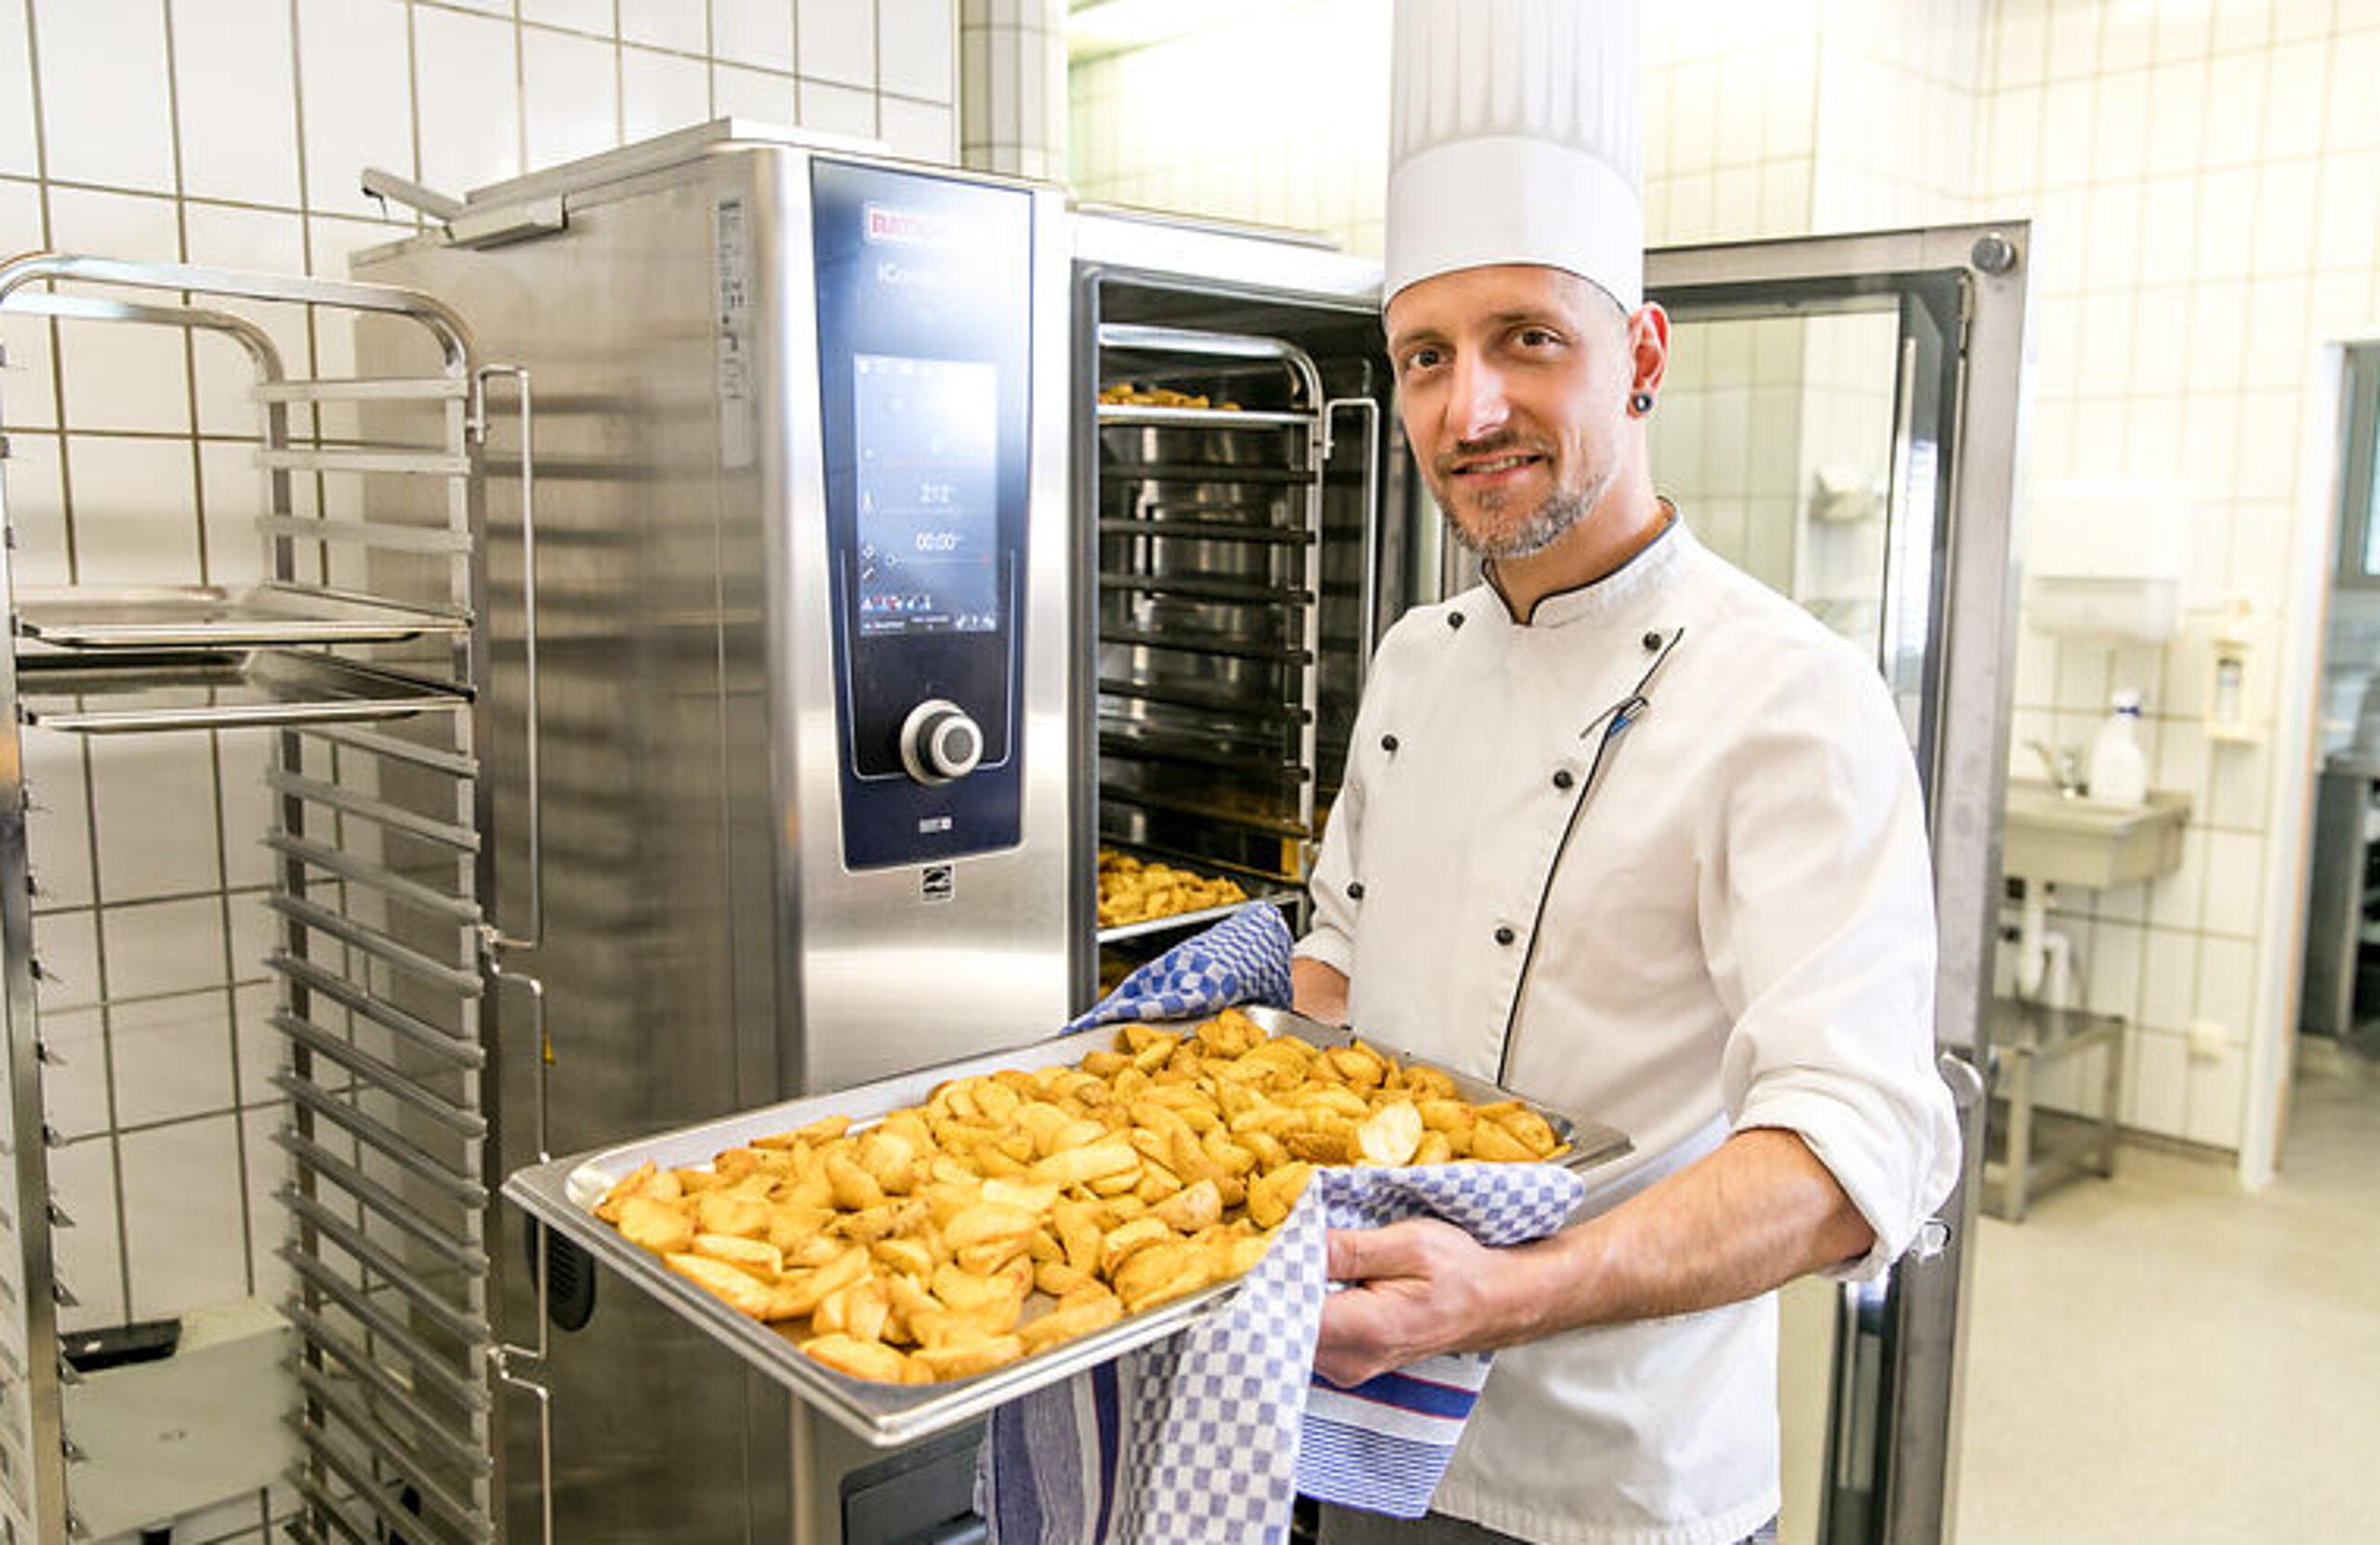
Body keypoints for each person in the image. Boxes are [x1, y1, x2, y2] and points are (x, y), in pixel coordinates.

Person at [1293, 4, 1960, 1543]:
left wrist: (1509, 1295)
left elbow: (1852, 1152)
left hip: (1619, 1481)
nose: (1471, 412)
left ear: (1641, 353)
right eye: (1426, 358)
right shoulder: (1412, 659)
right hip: (1356, 1417)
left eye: (1529, 338)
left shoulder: (1790, 696)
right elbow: (1335, 966)